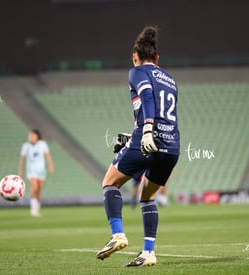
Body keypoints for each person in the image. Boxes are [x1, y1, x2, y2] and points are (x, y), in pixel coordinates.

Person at [96, 26, 180, 267]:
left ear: (135, 56)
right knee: (147, 196)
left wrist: (145, 131)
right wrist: (133, 134)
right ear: (158, 59)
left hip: (149, 137)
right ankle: (148, 253)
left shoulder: (136, 71)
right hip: (172, 145)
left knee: (109, 182)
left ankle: (117, 235)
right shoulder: (170, 79)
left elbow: (147, 98)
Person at [19, 129, 54, 217]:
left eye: (32, 135)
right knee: (35, 188)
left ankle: (37, 208)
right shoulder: (26, 146)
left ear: (37, 137)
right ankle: (33, 209)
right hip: (31, 170)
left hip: (41, 170)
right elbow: (22, 159)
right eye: (30, 135)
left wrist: (50, 166)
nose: (30, 137)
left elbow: (47, 155)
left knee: (38, 190)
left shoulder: (42, 144)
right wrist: (21, 171)